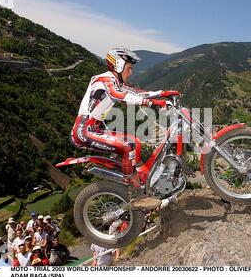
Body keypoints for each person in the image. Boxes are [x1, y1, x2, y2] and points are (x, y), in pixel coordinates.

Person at [70, 47, 178, 210]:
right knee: (127, 147)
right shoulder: (105, 80)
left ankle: (141, 178)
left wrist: (163, 93)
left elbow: (138, 92)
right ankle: (135, 196)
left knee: (134, 141)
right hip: (84, 131)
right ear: (118, 65)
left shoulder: (117, 82)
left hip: (95, 129)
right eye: (129, 68)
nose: (131, 72)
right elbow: (120, 95)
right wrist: (151, 103)